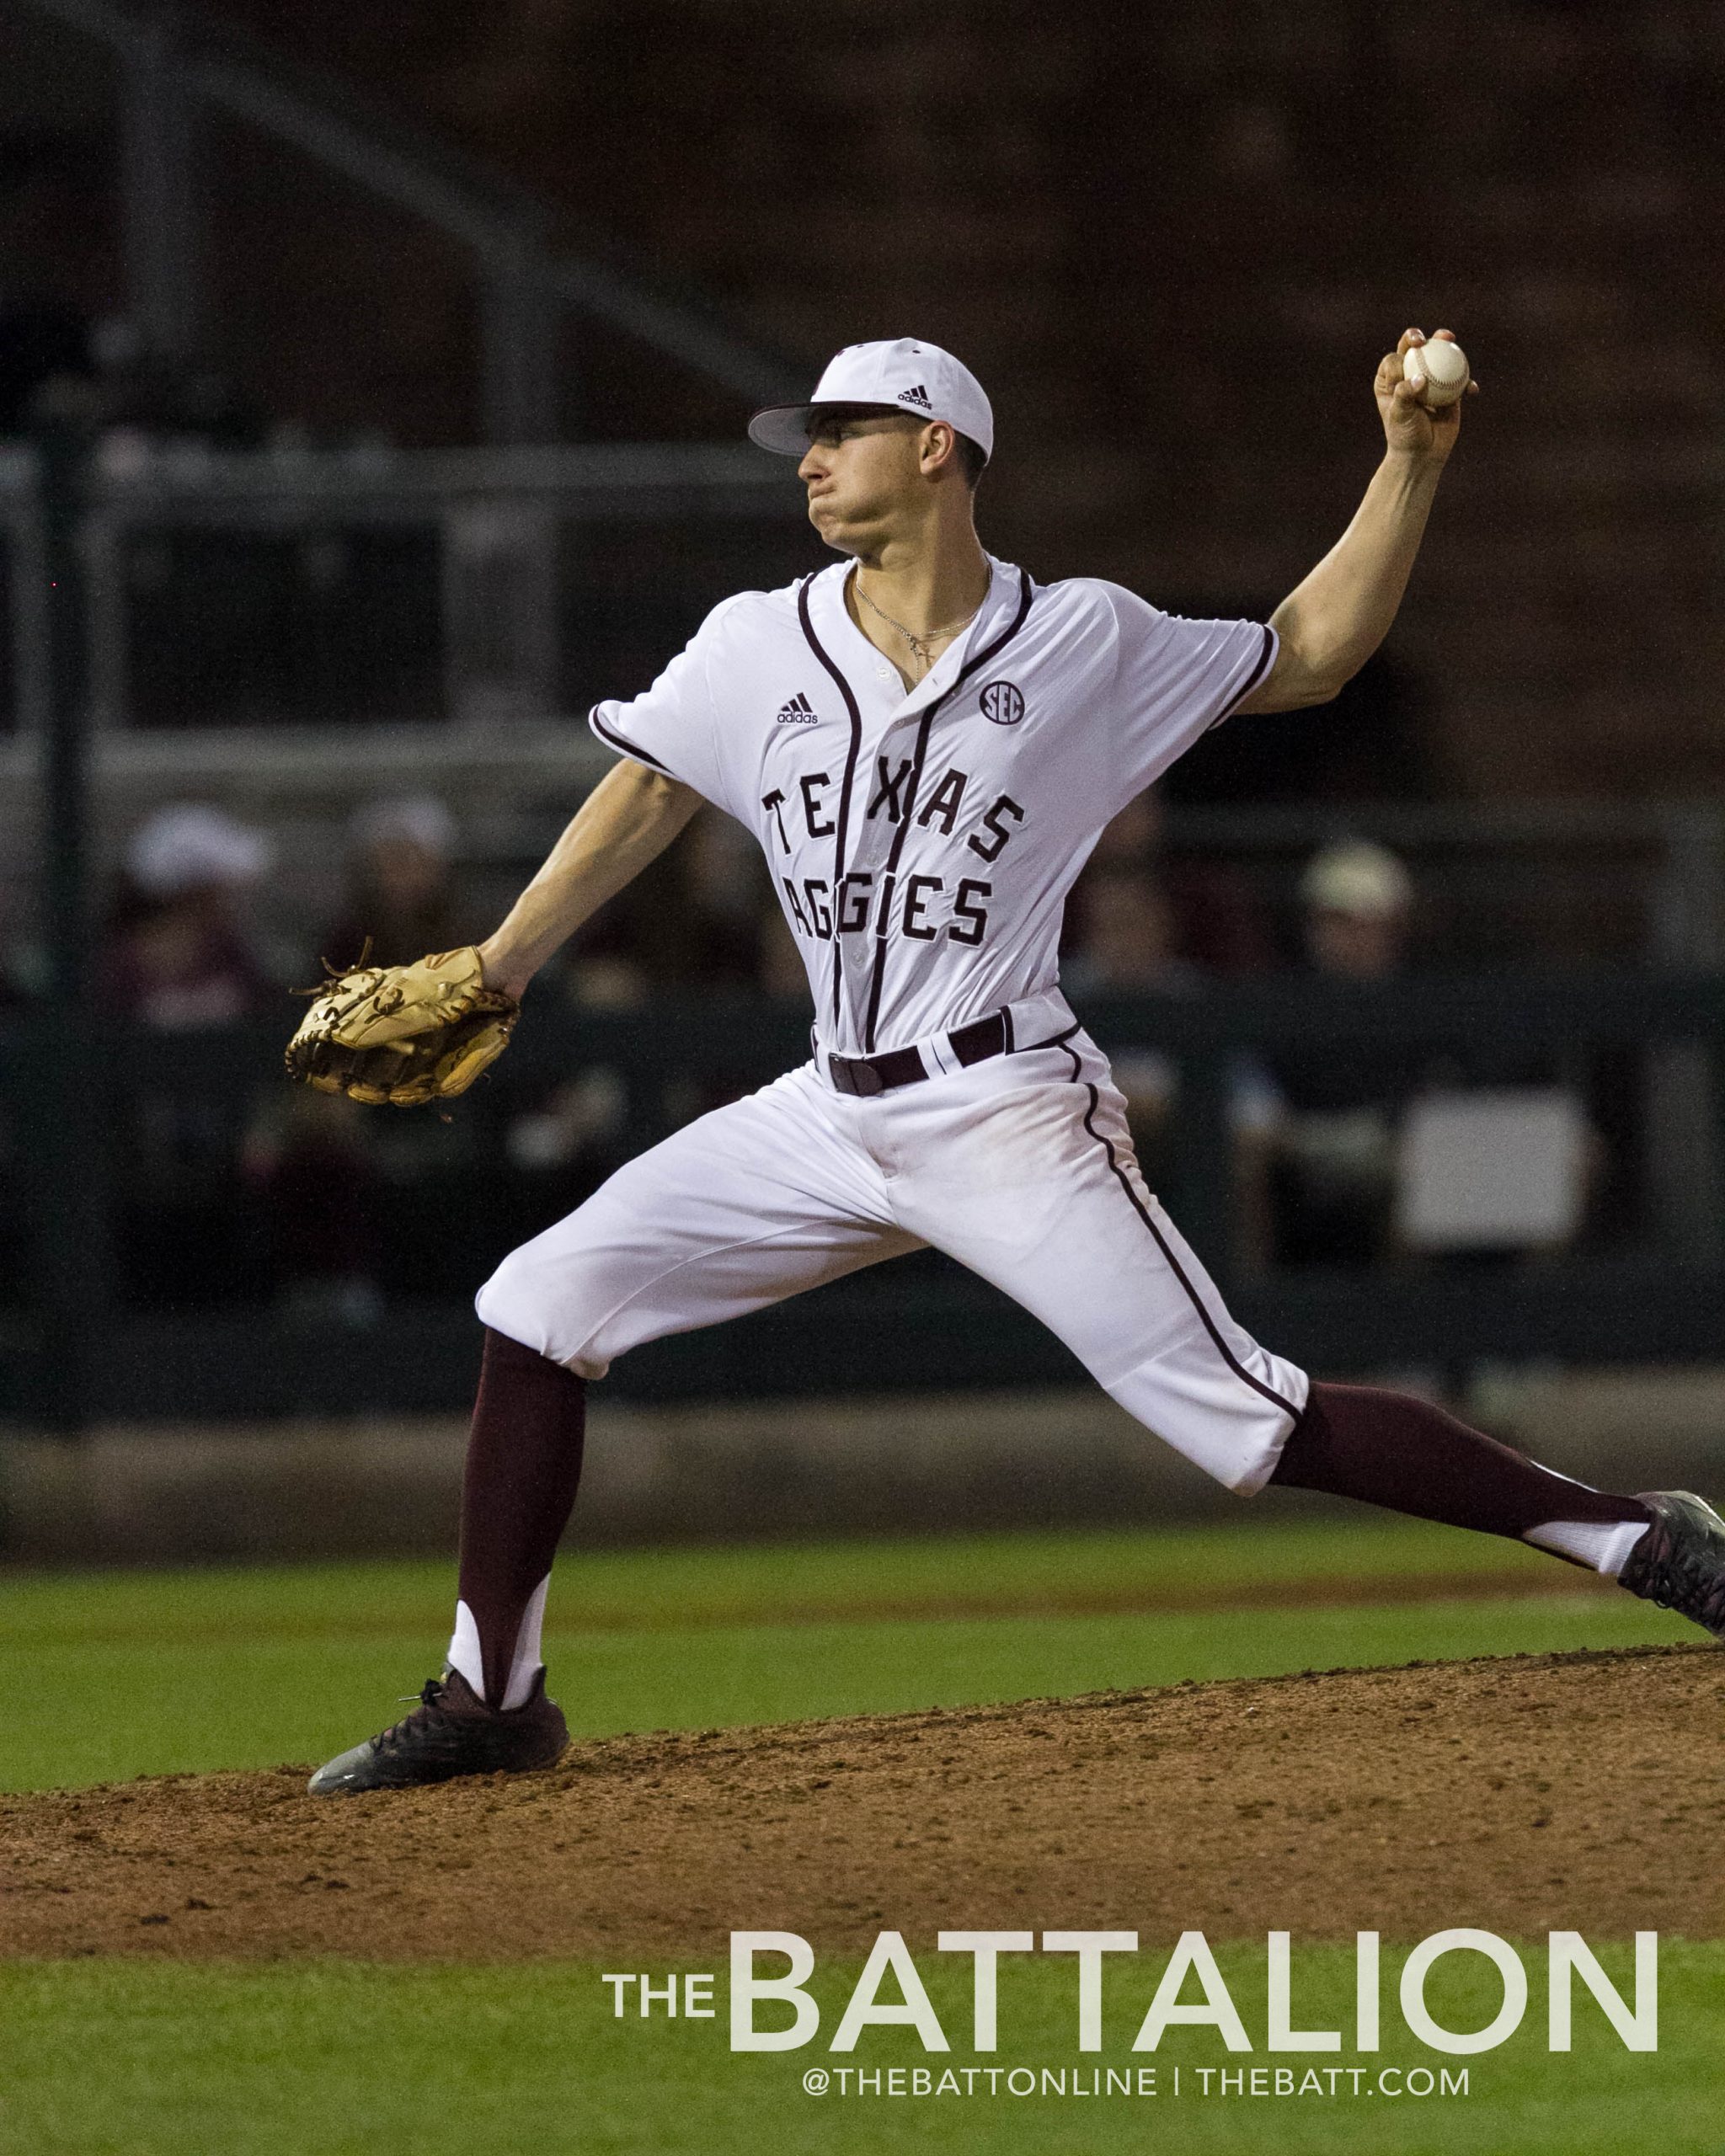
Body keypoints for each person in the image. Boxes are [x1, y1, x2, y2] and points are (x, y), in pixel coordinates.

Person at [307, 333, 1725, 1795]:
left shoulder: (1082, 641)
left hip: (1005, 1106)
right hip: (824, 1108)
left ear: (936, 446)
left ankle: (1636, 1534)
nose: (807, 458)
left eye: (840, 430)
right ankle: (493, 1699)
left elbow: (1308, 655)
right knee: (538, 1303)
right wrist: (498, 966)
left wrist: (1412, 462)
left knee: (1241, 1420)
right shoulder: (755, 642)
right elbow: (651, 783)